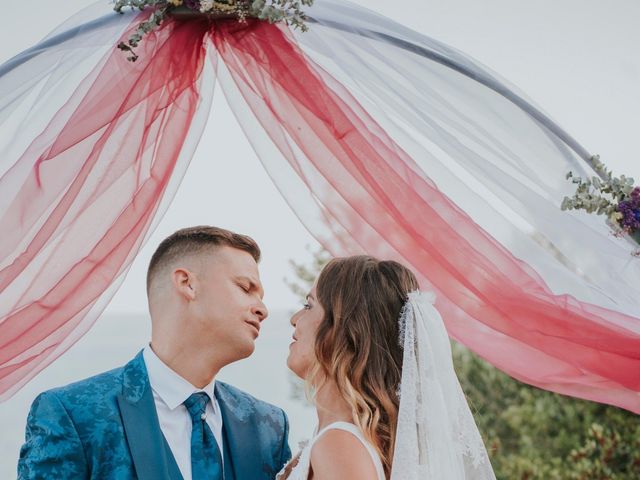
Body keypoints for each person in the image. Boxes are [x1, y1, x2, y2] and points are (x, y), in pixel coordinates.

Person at [18, 226, 291, 480]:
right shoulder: (72, 414)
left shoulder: (269, 426)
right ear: (187, 283)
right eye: (245, 288)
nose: (262, 309)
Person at [279, 255, 495, 480]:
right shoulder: (344, 442)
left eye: (308, 305)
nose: (295, 319)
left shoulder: (339, 446)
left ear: (346, 333)